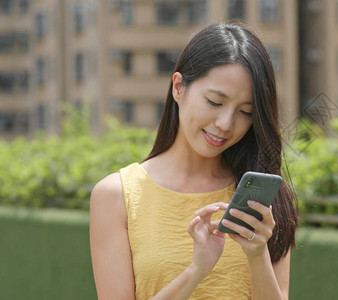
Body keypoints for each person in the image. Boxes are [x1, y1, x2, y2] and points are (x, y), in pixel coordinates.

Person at [89, 23, 298, 300]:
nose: (225, 124)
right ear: (178, 88)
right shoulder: (117, 196)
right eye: (214, 102)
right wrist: (196, 270)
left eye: (245, 112)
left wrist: (257, 253)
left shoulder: (262, 198)